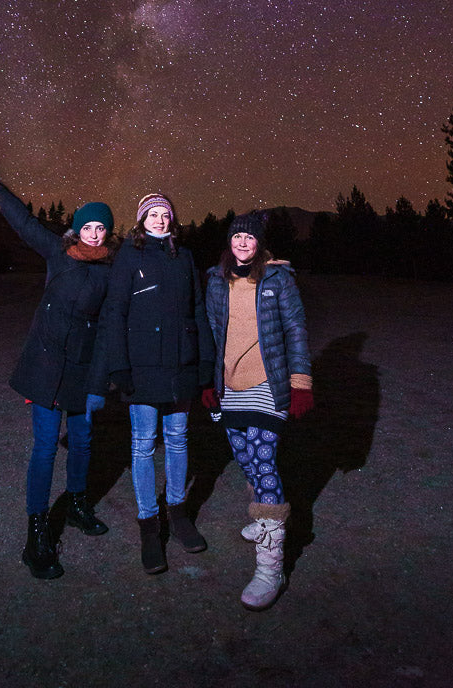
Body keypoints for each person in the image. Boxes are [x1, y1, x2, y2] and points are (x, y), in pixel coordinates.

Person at [0, 164, 116, 581]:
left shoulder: (113, 268)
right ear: (77, 229)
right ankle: (36, 533)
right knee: (43, 447)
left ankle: (76, 505)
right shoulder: (59, 252)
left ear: (108, 232)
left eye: (100, 227)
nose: (93, 233)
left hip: (82, 367)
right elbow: (26, 224)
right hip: (45, 364)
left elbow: (118, 318)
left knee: (82, 439)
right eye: (87, 226)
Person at [203, 212, 313, 609]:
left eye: (250, 238)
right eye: (237, 238)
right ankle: (262, 512)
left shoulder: (278, 279)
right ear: (229, 243)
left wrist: (300, 383)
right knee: (244, 457)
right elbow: (210, 332)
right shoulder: (216, 280)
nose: (243, 243)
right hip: (230, 384)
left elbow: (296, 329)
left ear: (259, 243)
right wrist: (206, 381)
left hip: (269, 381)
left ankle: (270, 567)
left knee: (264, 460)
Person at [102, 192, 215, 574]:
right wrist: (119, 366)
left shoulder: (182, 257)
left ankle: (178, 513)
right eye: (152, 214)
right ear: (141, 220)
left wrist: (204, 360)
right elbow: (114, 312)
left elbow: (197, 310)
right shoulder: (129, 257)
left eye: (165, 214)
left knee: (179, 438)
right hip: (143, 366)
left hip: (180, 365)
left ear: (173, 220)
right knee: (144, 443)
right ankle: (150, 525)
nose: (159, 220)